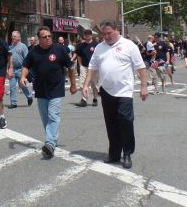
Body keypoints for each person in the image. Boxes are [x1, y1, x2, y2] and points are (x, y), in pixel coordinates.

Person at [82, 21, 147, 169]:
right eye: (103, 34)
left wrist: (144, 86)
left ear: (117, 30)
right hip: (106, 91)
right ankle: (114, 153)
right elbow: (92, 68)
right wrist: (86, 85)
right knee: (111, 124)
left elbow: (141, 67)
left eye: (109, 33)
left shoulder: (129, 45)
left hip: (124, 91)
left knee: (125, 121)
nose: (106, 36)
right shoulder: (100, 47)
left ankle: (127, 153)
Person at [21, 26, 77, 159]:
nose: (48, 39)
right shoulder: (34, 51)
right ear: (39, 39)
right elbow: (26, 65)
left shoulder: (59, 50)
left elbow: (70, 66)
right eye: (44, 37)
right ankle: (52, 140)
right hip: (40, 90)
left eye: (49, 36)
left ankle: (50, 144)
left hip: (56, 89)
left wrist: (73, 84)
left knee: (53, 116)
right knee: (45, 118)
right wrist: (23, 77)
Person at [74, 29, 99, 107]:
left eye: (88, 34)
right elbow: (79, 55)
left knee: (94, 84)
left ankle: (95, 99)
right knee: (83, 84)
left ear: (91, 35)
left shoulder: (96, 45)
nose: (87, 36)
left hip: (94, 68)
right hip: (84, 67)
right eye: (86, 34)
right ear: (84, 36)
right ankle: (84, 99)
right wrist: (80, 65)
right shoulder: (81, 45)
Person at [8, 31, 33, 108]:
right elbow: (8, 60)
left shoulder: (23, 46)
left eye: (15, 36)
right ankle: (13, 103)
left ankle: (29, 96)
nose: (13, 37)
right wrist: (8, 69)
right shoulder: (10, 47)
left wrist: (27, 70)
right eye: (12, 36)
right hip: (12, 69)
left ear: (19, 37)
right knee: (12, 86)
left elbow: (27, 58)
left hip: (21, 69)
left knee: (22, 85)